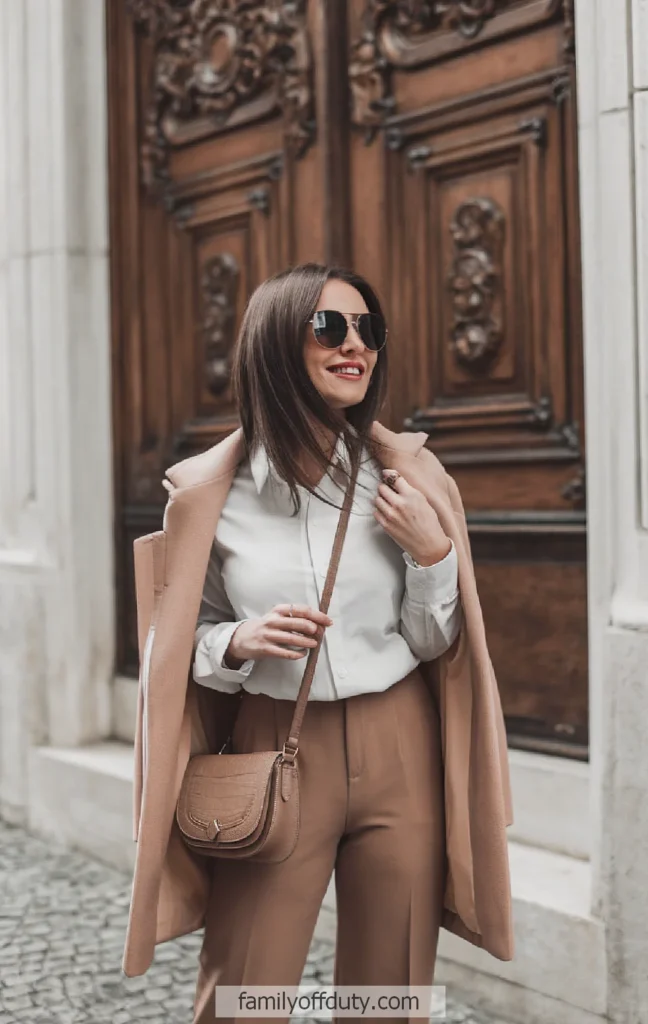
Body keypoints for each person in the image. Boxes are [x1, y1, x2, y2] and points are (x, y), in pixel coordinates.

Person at [189, 262, 463, 1019]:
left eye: (366, 329)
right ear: (276, 342)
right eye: (328, 326)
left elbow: (436, 643)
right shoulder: (211, 497)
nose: (355, 346)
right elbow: (181, 644)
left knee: (390, 992)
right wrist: (240, 640)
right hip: (275, 741)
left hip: (399, 738)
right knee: (246, 989)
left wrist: (430, 555)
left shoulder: (404, 478)